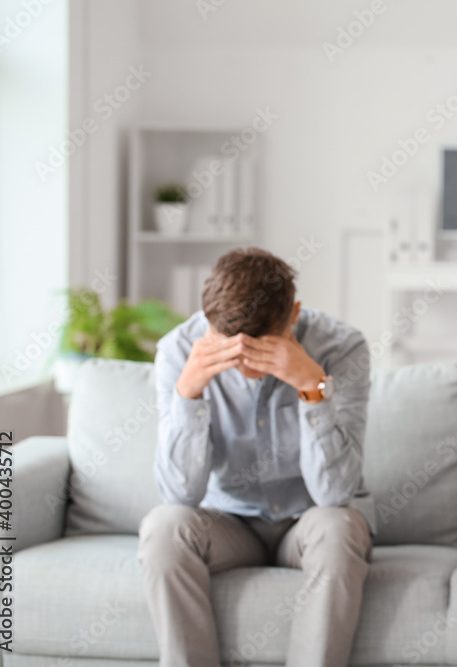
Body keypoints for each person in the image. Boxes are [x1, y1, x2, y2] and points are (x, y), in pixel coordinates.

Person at [137, 247, 375, 666]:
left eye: (262, 348)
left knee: (341, 528)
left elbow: (335, 494)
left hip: (308, 520)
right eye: (232, 348)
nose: (246, 363)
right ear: (209, 322)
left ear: (294, 314)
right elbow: (178, 494)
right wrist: (188, 394)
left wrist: (313, 389)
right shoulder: (178, 350)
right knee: (163, 528)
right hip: (226, 522)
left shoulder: (342, 347)